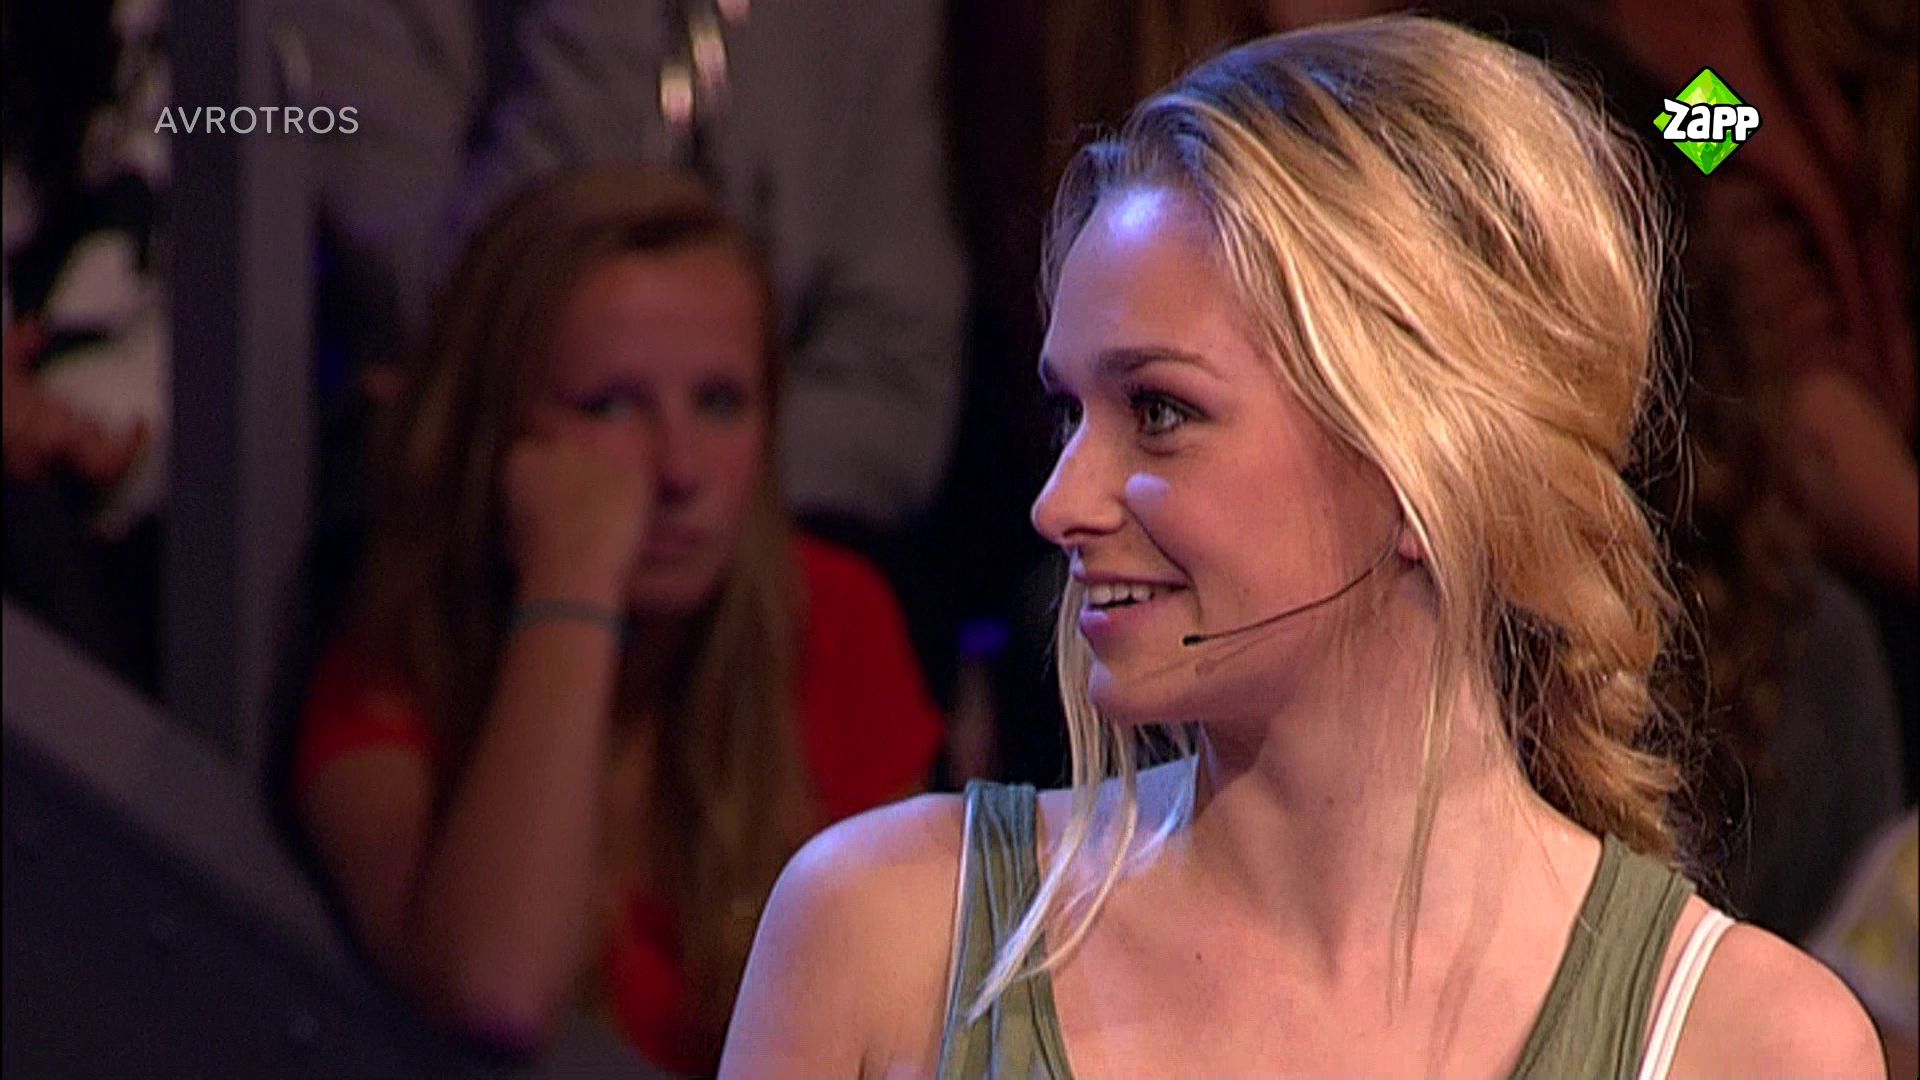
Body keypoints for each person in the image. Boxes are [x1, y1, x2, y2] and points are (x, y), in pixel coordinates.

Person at [718, 17, 1884, 1079]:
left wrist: (1720, 134)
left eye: (1159, 411)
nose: (1058, 501)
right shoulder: (880, 935)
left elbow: (1721, 121)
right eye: (1068, 412)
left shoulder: (1754, 1043)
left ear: (1427, 459)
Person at [290, 167, 943, 1074]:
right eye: (610, 405)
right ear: (498, 432)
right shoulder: (391, 676)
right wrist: (572, 580)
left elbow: (909, 1031)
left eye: (720, 402)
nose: (678, 470)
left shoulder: (833, 619)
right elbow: (498, 989)